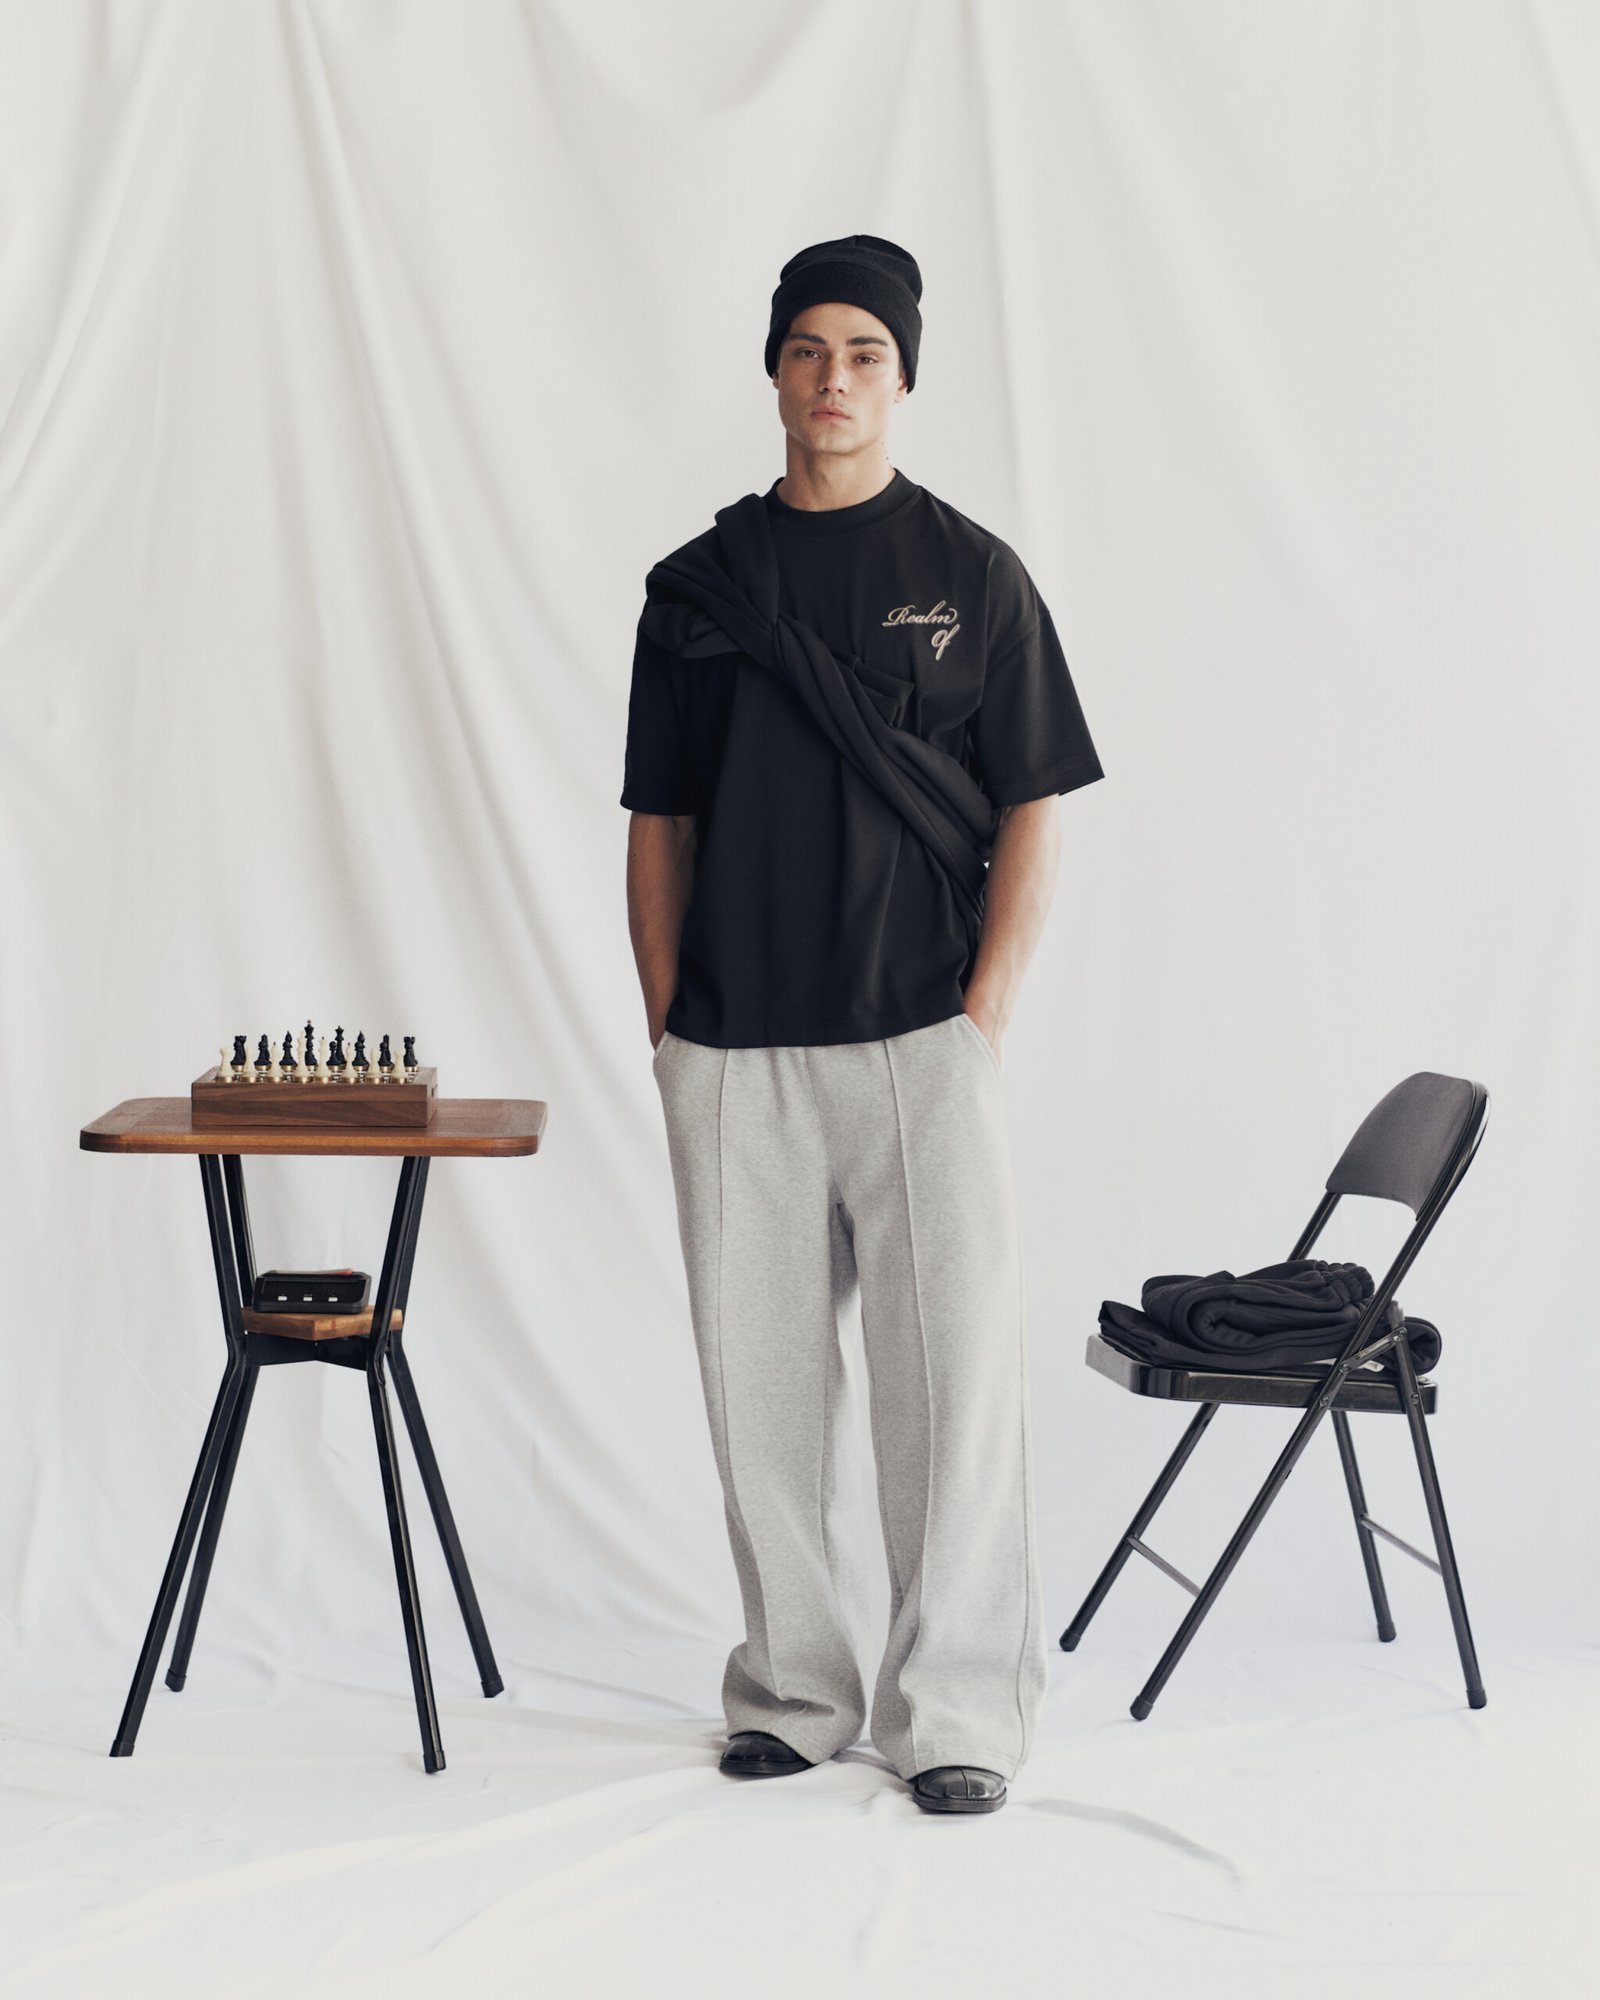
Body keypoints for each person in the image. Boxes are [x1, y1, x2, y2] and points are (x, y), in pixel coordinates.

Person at [621, 234, 1103, 1815]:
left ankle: (959, 1712)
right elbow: (659, 821)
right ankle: (795, 1692)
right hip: (734, 1050)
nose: (835, 379)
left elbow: (1035, 802)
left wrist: (983, 1017)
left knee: (949, 1396)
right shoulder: (696, 591)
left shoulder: (973, 574)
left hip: (917, 1042)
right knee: (759, 1402)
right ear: (774, 370)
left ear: (903, 377)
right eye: (809, 349)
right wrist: (669, 1028)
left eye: (866, 353)